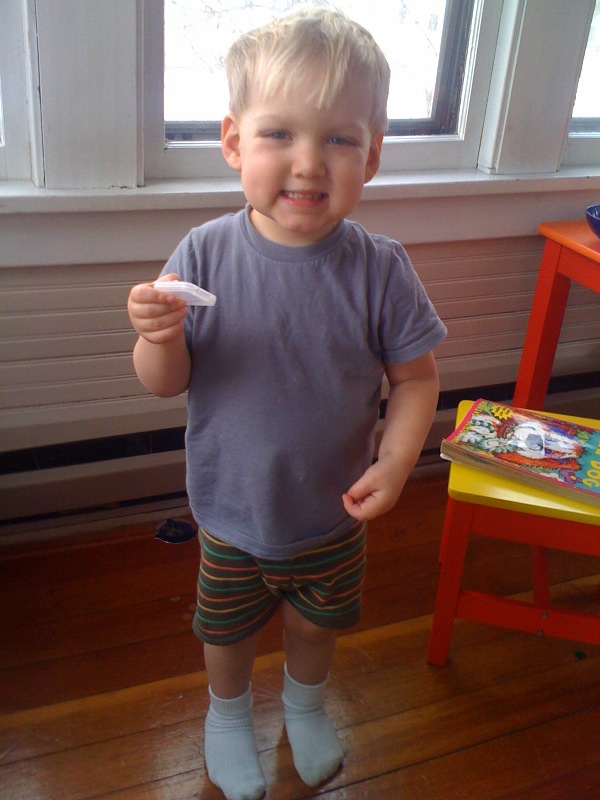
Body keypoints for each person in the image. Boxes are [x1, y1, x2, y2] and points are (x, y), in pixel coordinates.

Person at [127, 8, 446, 800]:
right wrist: (157, 336)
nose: (308, 162)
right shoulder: (203, 255)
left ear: (372, 155)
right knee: (227, 632)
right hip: (232, 512)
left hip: (333, 513)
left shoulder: (381, 269)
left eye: (338, 138)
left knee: (314, 626)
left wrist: (397, 461)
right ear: (235, 142)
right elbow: (164, 382)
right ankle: (227, 715)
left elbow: (415, 379)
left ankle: (304, 707)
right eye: (279, 134)